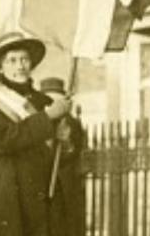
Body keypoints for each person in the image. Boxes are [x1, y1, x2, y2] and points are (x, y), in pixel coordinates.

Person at [0, 32, 74, 236]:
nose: (20, 66)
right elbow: (0, 142)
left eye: (24, 59)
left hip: (44, 197)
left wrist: (65, 143)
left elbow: (56, 158)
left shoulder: (45, 102)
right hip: (9, 198)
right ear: (1, 68)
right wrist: (46, 118)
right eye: (12, 60)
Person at [38, 77, 87, 236]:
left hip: (64, 183)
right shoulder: (38, 121)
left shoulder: (70, 122)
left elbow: (75, 151)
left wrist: (66, 143)